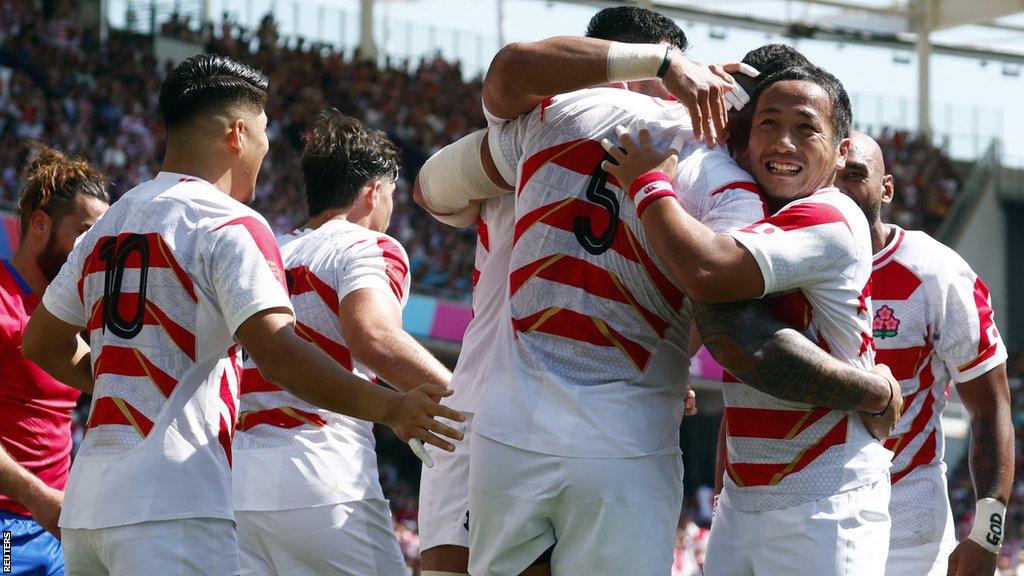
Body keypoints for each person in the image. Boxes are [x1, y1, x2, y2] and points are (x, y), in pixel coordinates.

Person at [21, 54, 463, 576]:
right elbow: (277, 351)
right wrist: (390, 408)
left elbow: (42, 342)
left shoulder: (110, 222)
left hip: (88, 506)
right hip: (173, 507)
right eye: (263, 133)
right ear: (237, 133)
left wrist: (129, 378)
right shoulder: (229, 222)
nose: (266, 149)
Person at [602, 65, 900, 575]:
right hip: (744, 502)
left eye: (805, 128)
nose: (783, 142)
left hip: (826, 498)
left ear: (841, 149)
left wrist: (648, 184)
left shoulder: (829, 215)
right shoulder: (762, 216)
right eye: (768, 124)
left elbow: (713, 286)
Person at [233, 109, 454, 576]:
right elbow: (374, 336)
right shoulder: (366, 244)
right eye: (392, 195)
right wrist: (468, 400)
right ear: (373, 192)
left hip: (239, 482)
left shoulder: (268, 249)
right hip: (321, 470)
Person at [836, 131, 1013, 576]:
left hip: (909, 530)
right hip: (813, 516)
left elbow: (991, 410)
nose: (839, 189)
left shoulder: (937, 271)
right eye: (832, 176)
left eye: (855, 175)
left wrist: (988, 533)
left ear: (887, 188)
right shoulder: (791, 262)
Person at [0, 146, 108, 576]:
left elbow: (109, 380)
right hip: (7, 529)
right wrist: (38, 497)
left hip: (59, 529)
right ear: (40, 224)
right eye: (83, 234)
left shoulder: (63, 319)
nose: (93, 252)